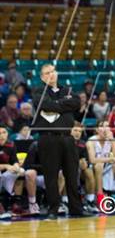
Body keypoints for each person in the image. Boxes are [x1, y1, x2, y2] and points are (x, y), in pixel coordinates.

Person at [31, 63, 87, 219]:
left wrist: (55, 106)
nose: (51, 74)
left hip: (68, 138)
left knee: (72, 174)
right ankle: (53, 209)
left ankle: (76, 208)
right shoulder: (38, 90)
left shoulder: (68, 90)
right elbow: (44, 104)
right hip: (47, 138)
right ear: (42, 77)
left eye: (53, 71)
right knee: (51, 176)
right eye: (47, 73)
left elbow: (76, 103)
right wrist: (63, 105)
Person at [86, 120, 115, 212]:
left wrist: (112, 141)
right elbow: (92, 160)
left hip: (107, 168)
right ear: (97, 129)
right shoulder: (91, 141)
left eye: (107, 126)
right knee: (99, 165)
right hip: (93, 170)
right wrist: (111, 159)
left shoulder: (112, 140)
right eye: (102, 126)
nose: (105, 128)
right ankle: (100, 197)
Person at [70, 122, 99, 213]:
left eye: (80, 131)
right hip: (66, 168)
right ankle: (64, 201)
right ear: (70, 131)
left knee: (89, 171)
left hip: (79, 169)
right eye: (75, 130)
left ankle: (90, 200)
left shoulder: (83, 143)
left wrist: (84, 163)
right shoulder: (64, 142)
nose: (77, 133)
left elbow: (86, 158)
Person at [0, 124, 22, 219]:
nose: (2, 135)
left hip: (6, 174)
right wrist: (6, 166)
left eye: (4, 132)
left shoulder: (11, 144)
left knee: (21, 171)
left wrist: (16, 166)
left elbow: (15, 160)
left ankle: (16, 203)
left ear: (7, 133)